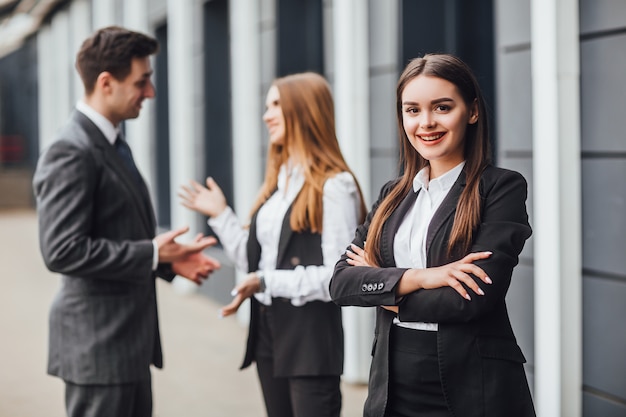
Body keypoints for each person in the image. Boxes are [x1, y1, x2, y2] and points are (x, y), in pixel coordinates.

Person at [329, 53, 536, 417]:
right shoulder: (392, 195)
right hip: (392, 386)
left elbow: (470, 299)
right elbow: (342, 283)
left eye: (442, 107)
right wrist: (423, 278)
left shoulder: (501, 189)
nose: (426, 123)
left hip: (473, 386)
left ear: (471, 111)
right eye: (412, 110)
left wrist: (382, 289)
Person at [33, 26, 221, 417]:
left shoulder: (112, 141)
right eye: (142, 81)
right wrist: (152, 254)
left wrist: (166, 260)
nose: (150, 92)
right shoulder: (71, 150)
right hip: (99, 350)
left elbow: (115, 232)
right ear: (106, 83)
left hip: (125, 347)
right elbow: (61, 250)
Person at [179, 72, 367, 417]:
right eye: (267, 106)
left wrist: (267, 281)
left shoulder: (335, 187)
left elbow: (338, 279)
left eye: (277, 105)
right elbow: (255, 264)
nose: (267, 115)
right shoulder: (277, 185)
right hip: (267, 329)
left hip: (310, 341)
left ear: (306, 110)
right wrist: (221, 215)